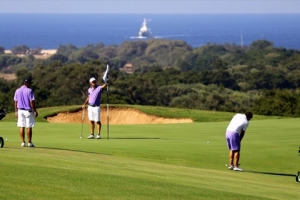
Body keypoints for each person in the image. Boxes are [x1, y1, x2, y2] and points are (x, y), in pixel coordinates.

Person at [14, 78, 38, 147]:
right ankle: (29, 143)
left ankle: (23, 142)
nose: (31, 85)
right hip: (28, 111)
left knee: (21, 126)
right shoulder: (30, 91)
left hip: (20, 110)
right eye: (30, 83)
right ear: (27, 83)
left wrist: (16, 111)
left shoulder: (17, 90)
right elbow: (32, 102)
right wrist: (35, 111)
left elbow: (15, 102)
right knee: (29, 127)